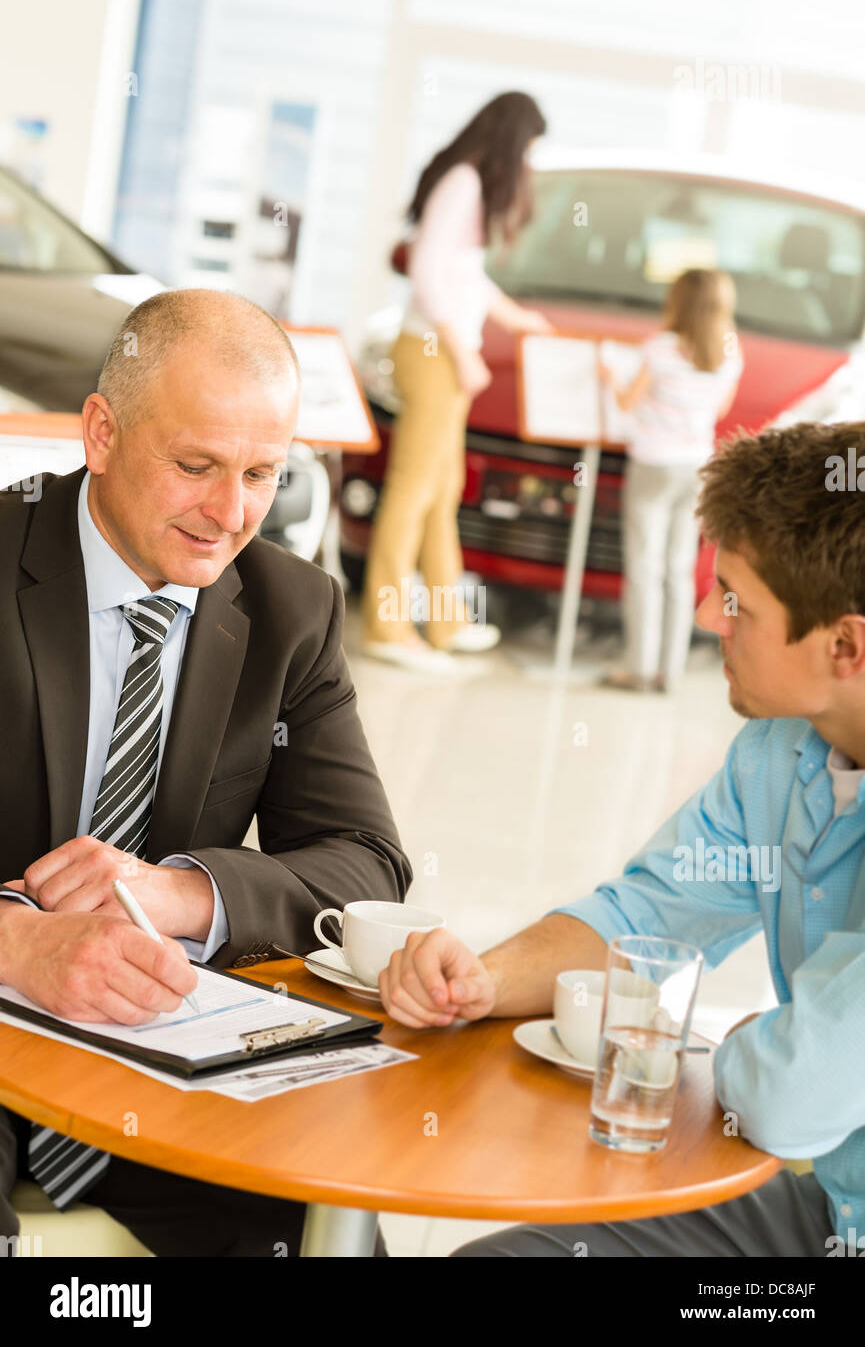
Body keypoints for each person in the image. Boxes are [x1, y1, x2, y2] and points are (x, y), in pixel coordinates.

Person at [378, 419, 865, 1258]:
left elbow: (790, 1099)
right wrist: (481, 981)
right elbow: (646, 920)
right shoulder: (778, 751)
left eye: (737, 599)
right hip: (827, 1209)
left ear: (845, 646)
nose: (709, 615)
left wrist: (741, 1048)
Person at [0, 288, 411, 1257]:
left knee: (322, 1223)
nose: (229, 514)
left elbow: (365, 863)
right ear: (101, 432)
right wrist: (19, 947)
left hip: (159, 1056)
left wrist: (177, 892)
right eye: (196, 466)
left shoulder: (290, 609)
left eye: (262, 474)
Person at [362, 90, 553, 674]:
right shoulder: (464, 183)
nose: (531, 163)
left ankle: (446, 619)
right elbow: (425, 270)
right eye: (530, 149)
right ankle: (387, 627)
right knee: (413, 487)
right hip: (433, 352)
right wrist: (460, 350)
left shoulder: (466, 183)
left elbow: (462, 274)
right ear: (512, 139)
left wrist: (513, 318)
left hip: (443, 351)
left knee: (441, 490)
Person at [599, 268, 743, 693]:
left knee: (644, 566)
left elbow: (627, 402)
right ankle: (671, 672)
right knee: (679, 569)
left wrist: (611, 378)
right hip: (696, 467)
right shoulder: (730, 354)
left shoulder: (659, 349)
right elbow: (718, 411)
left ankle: (639, 668)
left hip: (652, 464)